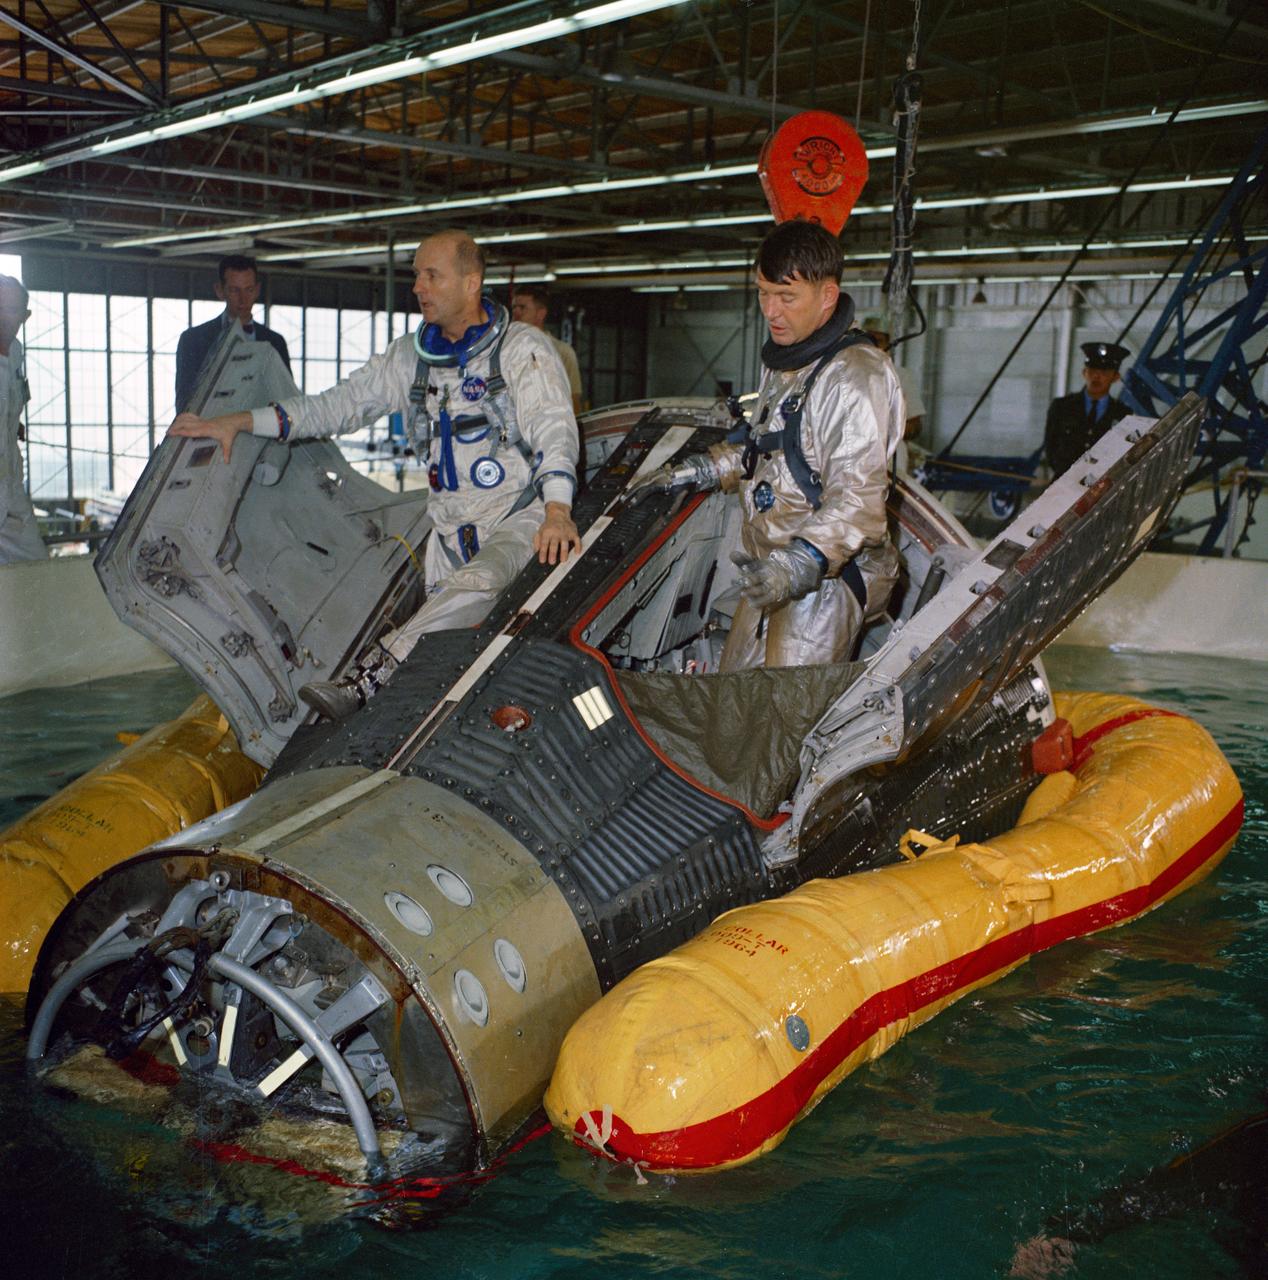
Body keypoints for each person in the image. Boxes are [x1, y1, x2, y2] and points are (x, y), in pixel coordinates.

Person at [169, 229, 581, 720]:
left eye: (432, 275)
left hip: (518, 513)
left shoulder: (521, 349)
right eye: (416, 276)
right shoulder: (410, 357)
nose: (418, 288)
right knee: (447, 649)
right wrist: (240, 420)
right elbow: (334, 407)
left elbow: (554, 427)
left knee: (483, 580)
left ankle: (371, 676)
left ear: (471, 283)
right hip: (448, 530)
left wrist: (557, 509)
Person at [639, 220, 904, 671]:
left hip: (823, 580)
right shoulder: (789, 364)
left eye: (787, 297)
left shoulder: (855, 376)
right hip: (771, 572)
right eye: (764, 293)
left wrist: (798, 564)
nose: (771, 311)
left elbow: (859, 500)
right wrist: (699, 469)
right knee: (734, 698)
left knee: (783, 720)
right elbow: (766, 451)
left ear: (827, 296)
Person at [175, 255, 292, 414]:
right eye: (234, 290)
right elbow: (184, 402)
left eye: (249, 290)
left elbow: (287, 399)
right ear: (219, 290)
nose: (243, 299)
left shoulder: (275, 342)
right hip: (211, 432)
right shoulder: (193, 340)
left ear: (257, 290)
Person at [0, 275, 48, 565]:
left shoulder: (16, 352)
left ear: (25, 316)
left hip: (10, 487)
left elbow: (11, 399)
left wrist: (11, 425)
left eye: (11, 309)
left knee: (35, 566)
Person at [1043, 341, 1131, 478]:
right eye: (1092, 370)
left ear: (1115, 377)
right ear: (1084, 372)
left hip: (1102, 487)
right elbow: (1050, 448)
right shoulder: (1061, 407)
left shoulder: (1123, 414)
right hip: (1063, 482)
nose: (1096, 376)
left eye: (1104, 372)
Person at [512, 284, 583, 415]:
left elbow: (574, 399)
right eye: (514, 307)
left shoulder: (562, 352)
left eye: (522, 308)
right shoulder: (506, 351)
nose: (516, 312)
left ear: (540, 314)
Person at [861, 314, 924, 441]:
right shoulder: (844, 374)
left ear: (888, 344)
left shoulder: (901, 376)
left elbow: (915, 426)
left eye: (878, 340)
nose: (873, 346)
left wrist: (884, 430)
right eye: (867, 339)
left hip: (891, 457)